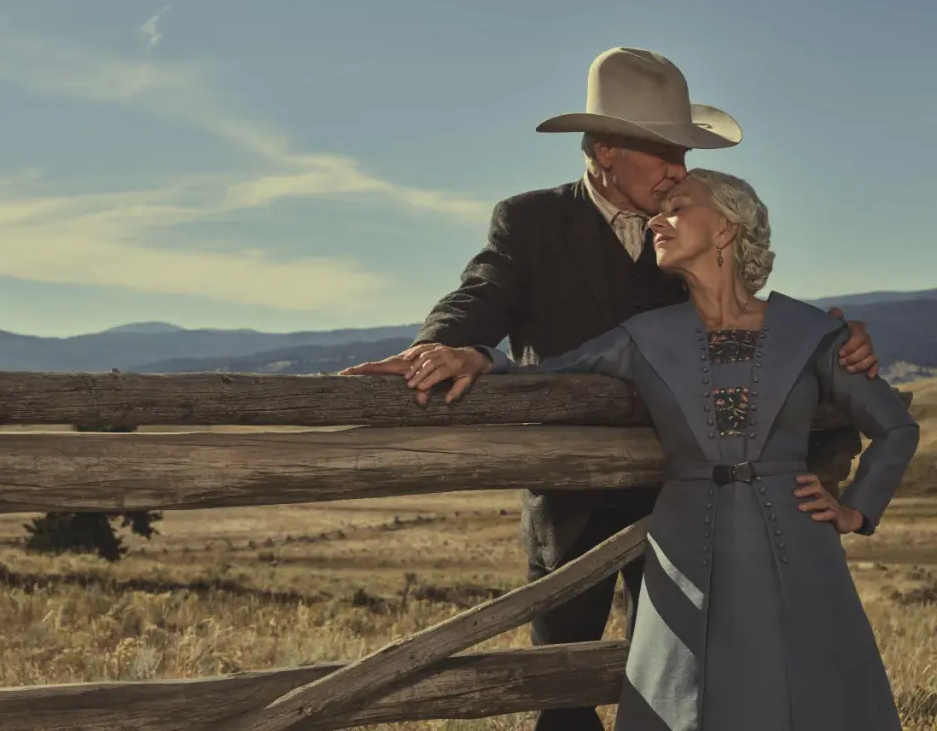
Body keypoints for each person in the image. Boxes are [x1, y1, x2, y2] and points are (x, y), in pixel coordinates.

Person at [339, 47, 880, 730]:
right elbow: (483, 292)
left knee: (691, 675)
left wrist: (831, 339)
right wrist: (445, 343)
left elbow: (739, 311)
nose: (679, 168)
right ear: (602, 151)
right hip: (570, 497)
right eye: (662, 151)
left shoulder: (685, 222)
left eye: (681, 152)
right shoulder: (531, 221)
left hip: (683, 499)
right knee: (561, 686)